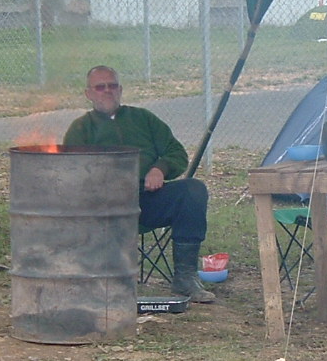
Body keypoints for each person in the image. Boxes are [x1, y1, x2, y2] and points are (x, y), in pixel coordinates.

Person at [62, 66, 215, 304]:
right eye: (100, 87)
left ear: (121, 90)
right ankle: (109, 279)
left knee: (193, 190)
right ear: (88, 94)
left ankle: (185, 277)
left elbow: (176, 152)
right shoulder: (80, 129)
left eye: (112, 86)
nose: (107, 91)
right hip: (106, 207)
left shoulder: (143, 119)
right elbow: (73, 172)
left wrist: (159, 169)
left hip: (148, 199)